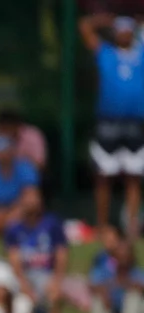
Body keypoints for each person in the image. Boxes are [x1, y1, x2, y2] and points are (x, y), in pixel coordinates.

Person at [80, 13, 144, 234]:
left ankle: (132, 226)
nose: (124, 32)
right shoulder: (106, 53)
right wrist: (106, 20)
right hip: (108, 122)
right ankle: (102, 225)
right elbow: (85, 27)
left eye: (128, 28)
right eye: (120, 28)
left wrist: (137, 22)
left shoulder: (141, 53)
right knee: (104, 177)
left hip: (136, 123)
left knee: (134, 177)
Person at [4, 186, 68, 303]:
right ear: (21, 201)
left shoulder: (52, 224)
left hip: (46, 274)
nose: (31, 201)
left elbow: (61, 255)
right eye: (27, 197)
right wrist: (24, 285)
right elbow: (14, 261)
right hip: (23, 275)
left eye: (34, 197)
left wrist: (57, 281)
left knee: (54, 294)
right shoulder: (14, 228)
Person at [0, 134, 39, 236]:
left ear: (13, 150)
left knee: (31, 201)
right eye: (0, 150)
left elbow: (30, 194)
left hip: (15, 211)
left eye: (6, 150)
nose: (3, 154)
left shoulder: (25, 167)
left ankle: (3, 229)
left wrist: (7, 214)